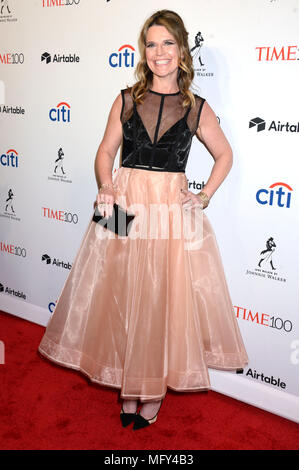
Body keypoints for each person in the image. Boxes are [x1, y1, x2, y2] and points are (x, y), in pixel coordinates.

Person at [38, 9, 249, 431]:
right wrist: (106, 184)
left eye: (167, 43)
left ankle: (149, 390)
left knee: (158, 299)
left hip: (170, 212)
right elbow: (104, 153)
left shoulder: (195, 106)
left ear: (182, 50)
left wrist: (204, 195)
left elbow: (225, 155)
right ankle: (128, 384)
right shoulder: (126, 98)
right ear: (144, 51)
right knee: (117, 292)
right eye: (151, 44)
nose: (159, 52)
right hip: (123, 205)